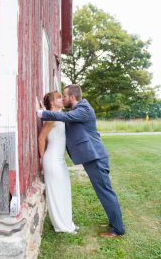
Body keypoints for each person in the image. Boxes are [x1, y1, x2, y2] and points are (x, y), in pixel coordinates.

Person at [37, 84, 125, 238]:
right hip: (91, 157)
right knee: (103, 191)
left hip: (95, 157)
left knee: (105, 191)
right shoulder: (76, 110)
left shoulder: (84, 109)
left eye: (64, 96)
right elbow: (59, 117)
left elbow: (65, 117)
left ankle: (117, 228)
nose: (63, 99)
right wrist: (47, 106)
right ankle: (114, 222)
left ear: (72, 97)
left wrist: (42, 113)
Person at [38, 91, 78, 234]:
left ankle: (67, 222)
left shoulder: (58, 116)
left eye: (62, 97)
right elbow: (41, 138)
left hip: (59, 160)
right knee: (56, 193)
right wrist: (42, 159)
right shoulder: (51, 119)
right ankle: (61, 226)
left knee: (64, 191)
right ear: (52, 102)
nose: (62, 99)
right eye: (58, 98)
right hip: (52, 160)